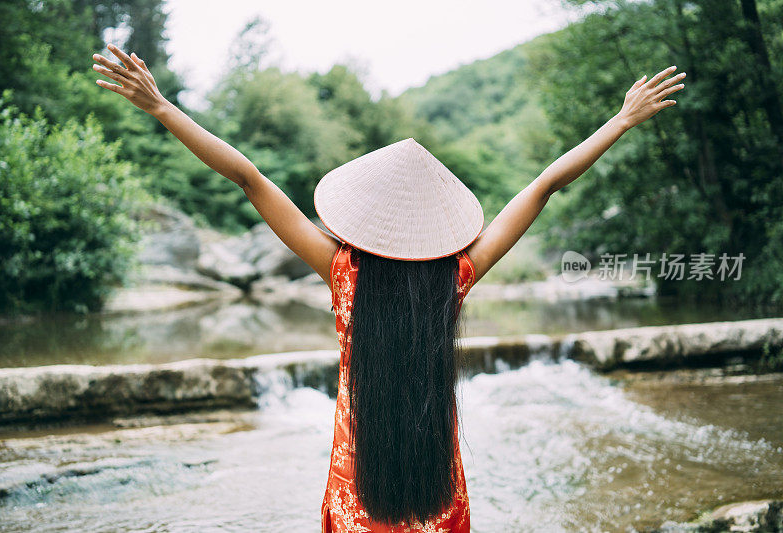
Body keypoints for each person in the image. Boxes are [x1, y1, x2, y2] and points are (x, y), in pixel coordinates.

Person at [92, 43, 685, 532]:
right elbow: (542, 187)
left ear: (361, 221)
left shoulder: (344, 274)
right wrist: (621, 120)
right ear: (439, 229)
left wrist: (164, 108)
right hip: (435, 492)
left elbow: (249, 178)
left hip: (359, 490)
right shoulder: (452, 279)